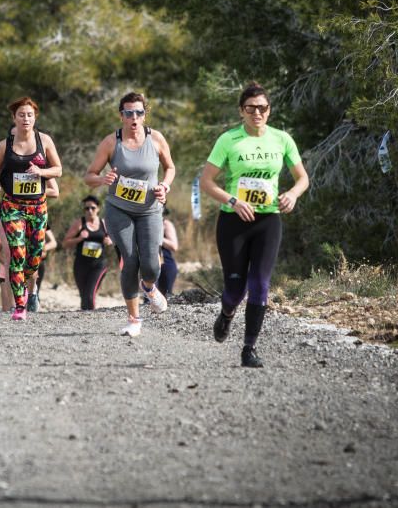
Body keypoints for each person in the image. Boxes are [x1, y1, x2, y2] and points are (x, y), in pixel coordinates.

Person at [199, 82, 309, 368]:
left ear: (269, 111)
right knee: (235, 290)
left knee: (260, 284)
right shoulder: (229, 140)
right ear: (242, 111)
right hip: (234, 220)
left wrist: (293, 194)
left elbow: (302, 178)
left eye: (262, 107)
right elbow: (206, 182)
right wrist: (234, 201)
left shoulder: (282, 139)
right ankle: (226, 314)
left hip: (268, 219)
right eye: (251, 108)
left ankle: (249, 349)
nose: (257, 113)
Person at [84, 92, 175, 337]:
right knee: (130, 259)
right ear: (121, 115)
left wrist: (164, 186)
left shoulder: (155, 139)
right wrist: (103, 179)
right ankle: (134, 320)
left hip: (149, 211)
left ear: (145, 114)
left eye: (139, 112)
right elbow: (89, 176)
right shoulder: (111, 143)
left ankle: (150, 288)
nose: (134, 118)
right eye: (128, 113)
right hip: (119, 210)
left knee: (150, 265)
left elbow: (170, 167)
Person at [0, 96, 63, 321]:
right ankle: (20, 305)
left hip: (38, 207)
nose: (26, 118)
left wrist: (41, 172)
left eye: (29, 114)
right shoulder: (4, 145)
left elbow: (58, 169)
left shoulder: (45, 141)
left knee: (33, 259)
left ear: (35, 117)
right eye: (21, 114)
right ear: (14, 118)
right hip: (13, 206)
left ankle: (28, 288)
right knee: (17, 252)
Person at [62, 195, 114, 310]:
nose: (90, 211)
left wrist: (110, 241)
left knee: (90, 295)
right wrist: (79, 238)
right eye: (87, 208)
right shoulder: (79, 223)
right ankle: (84, 322)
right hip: (81, 264)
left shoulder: (104, 223)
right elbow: (65, 243)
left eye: (93, 208)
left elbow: (114, 239)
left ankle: (91, 319)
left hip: (99, 265)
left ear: (98, 209)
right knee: (84, 296)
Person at [27, 178, 60, 312]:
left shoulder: (42, 169)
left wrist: (43, 248)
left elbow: (53, 242)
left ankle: (33, 301)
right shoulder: (12, 165)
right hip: (16, 211)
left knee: (34, 283)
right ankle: (18, 307)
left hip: (39, 259)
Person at [0, 221, 16, 312]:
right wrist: (7, 264)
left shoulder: (31, 229)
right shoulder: (5, 229)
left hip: (25, 276)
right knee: (7, 311)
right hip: (5, 276)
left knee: (25, 311)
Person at [156, 209, 179, 298]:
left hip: (165, 265)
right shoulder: (142, 224)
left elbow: (174, 246)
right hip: (148, 264)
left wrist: (156, 236)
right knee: (149, 297)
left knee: (166, 296)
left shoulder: (166, 224)